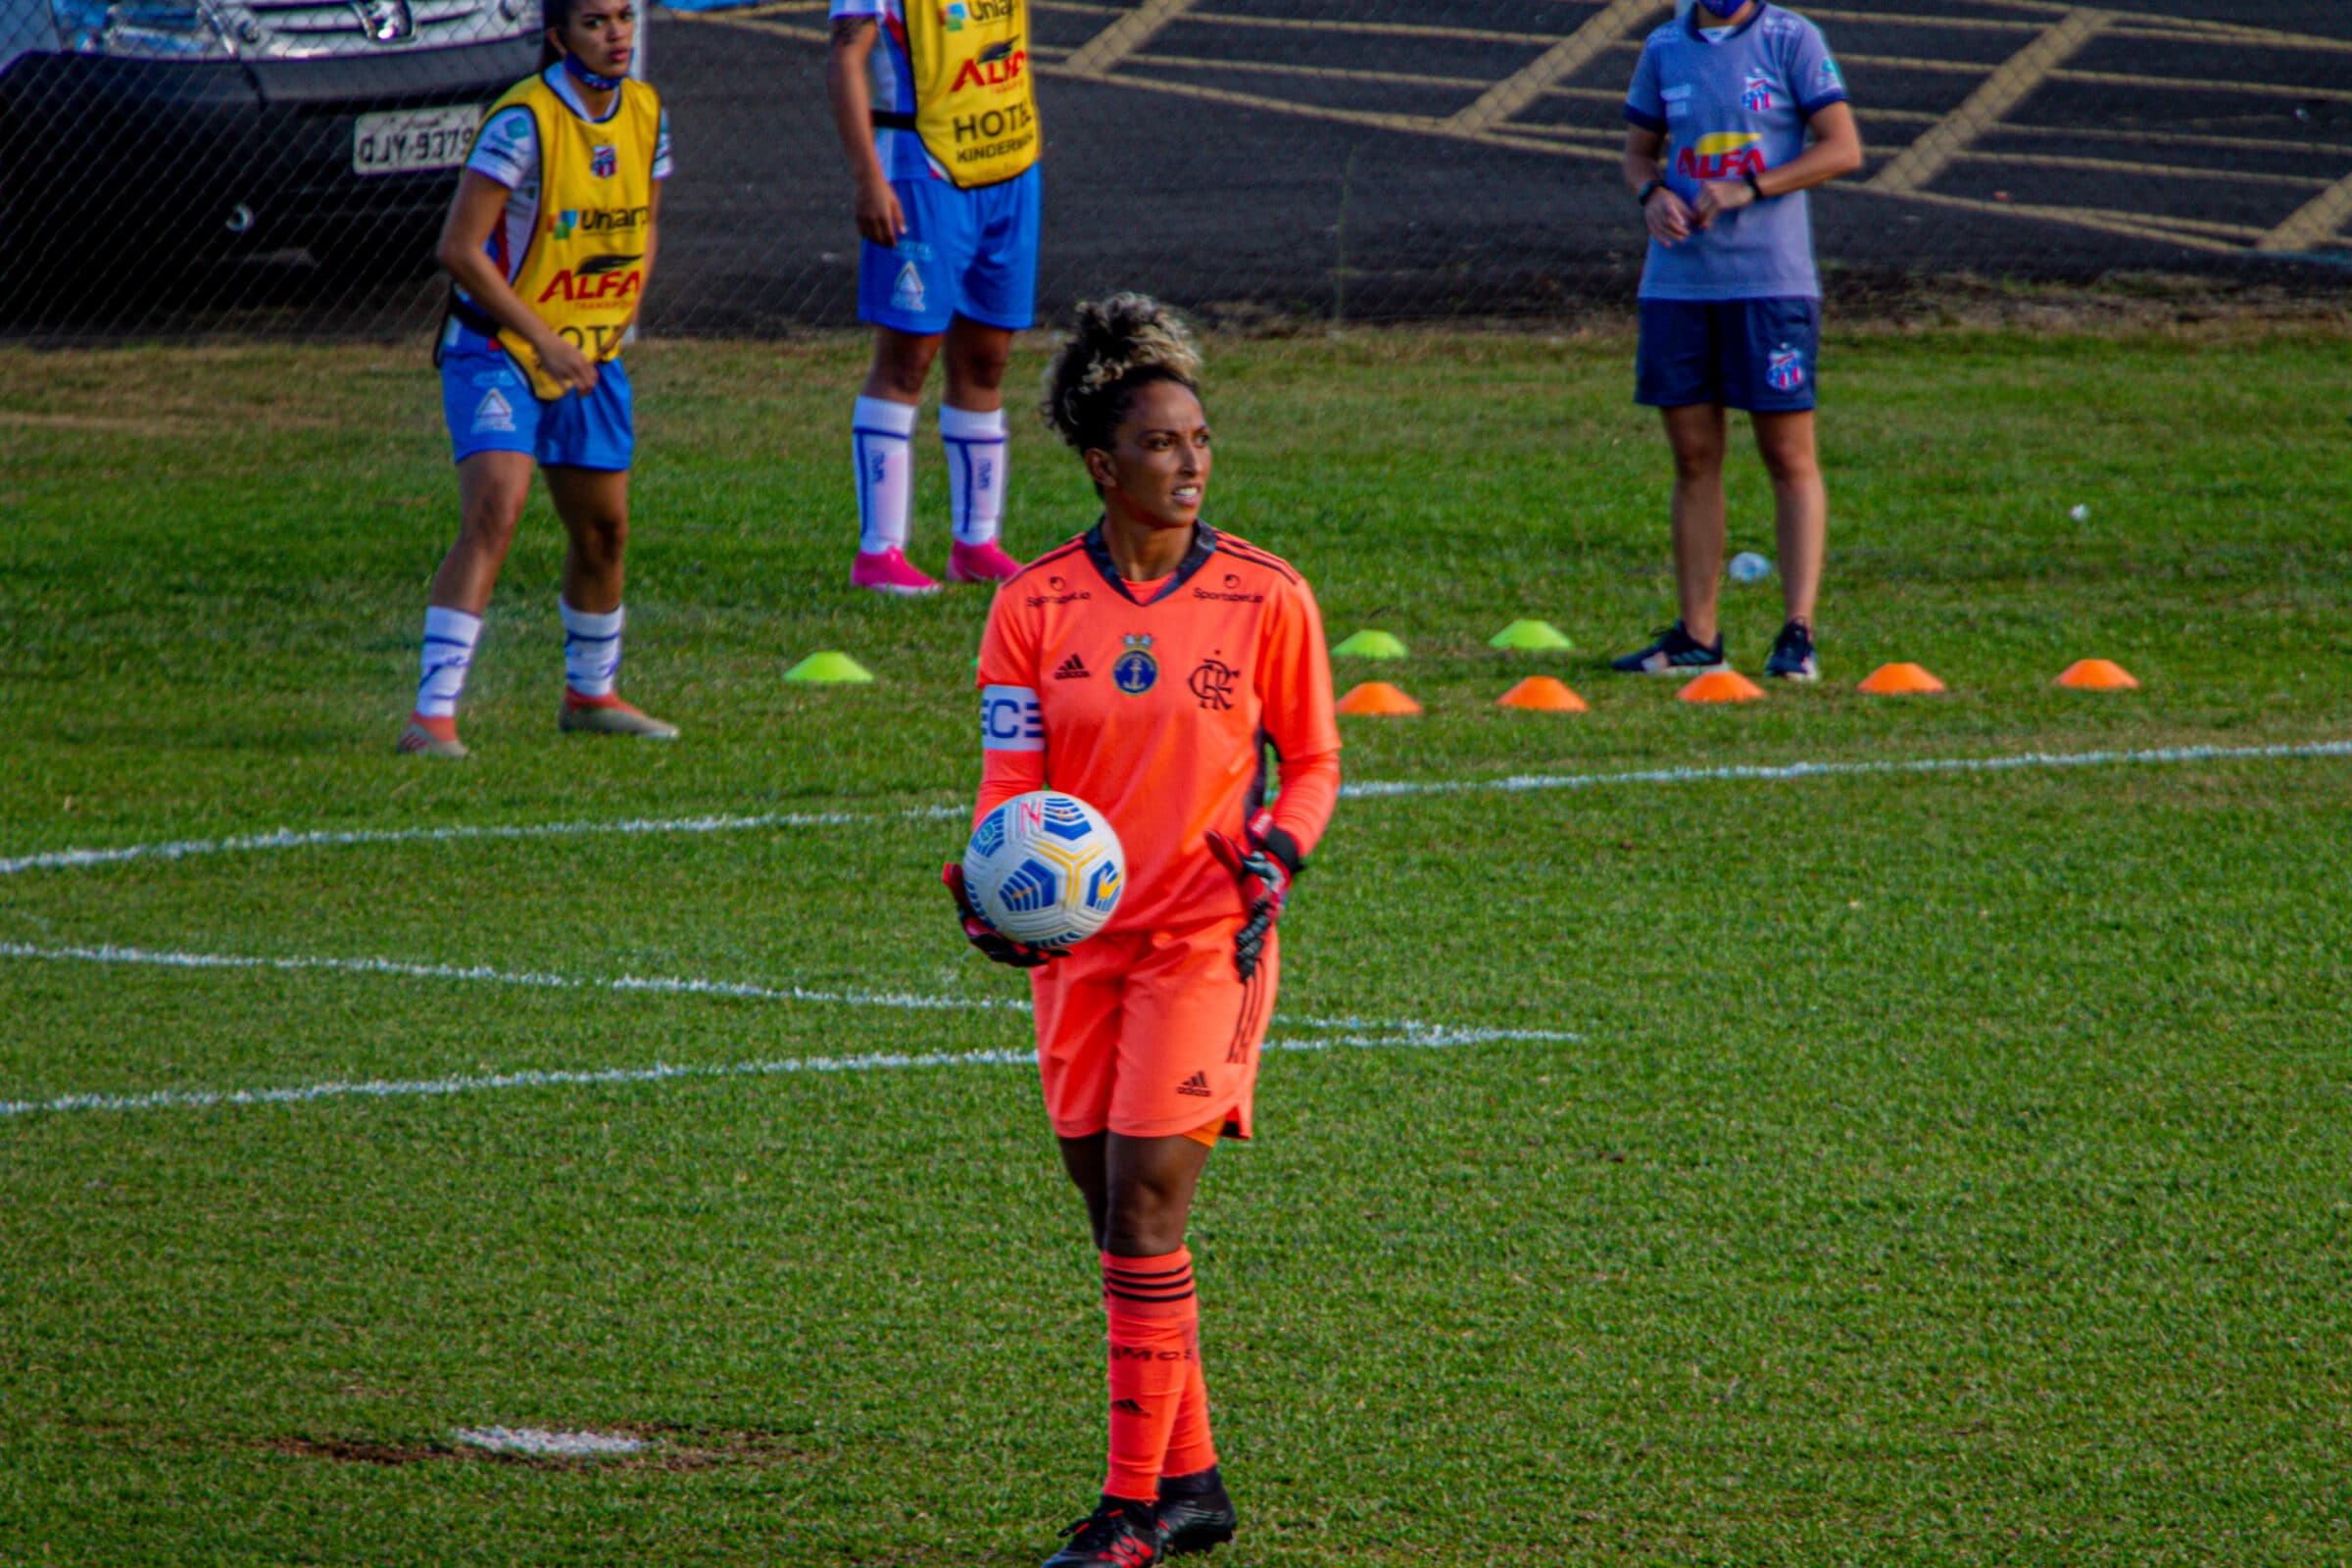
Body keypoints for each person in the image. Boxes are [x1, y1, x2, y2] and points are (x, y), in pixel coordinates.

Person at [945, 295, 1342, 1566]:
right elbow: (1012, 783)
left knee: (1147, 1204)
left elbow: (1314, 762)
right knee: (1111, 1211)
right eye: (1162, 443)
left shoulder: (1266, 595)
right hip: (1078, 949)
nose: (1190, 462)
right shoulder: (1033, 607)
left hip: (1205, 939)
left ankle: (1131, 1512)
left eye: (1200, 439)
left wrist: (1276, 853)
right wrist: (992, 892)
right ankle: (1195, 1480)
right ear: (1101, 464)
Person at [398, 0, 676, 760]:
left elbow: (646, 220)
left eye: (623, 17)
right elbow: (459, 250)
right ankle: (431, 717)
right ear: (558, 37)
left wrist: (624, 308)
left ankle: (591, 696)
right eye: (595, 21)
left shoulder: (648, 113)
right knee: (496, 509)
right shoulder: (521, 122)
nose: (616, 34)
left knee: (604, 531)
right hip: (499, 350)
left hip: (587, 356)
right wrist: (543, 339)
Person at [1611, 0, 1862, 682]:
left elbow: (1842, 148)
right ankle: (1697, 635)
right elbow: (1638, 154)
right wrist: (1651, 195)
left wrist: (1751, 187)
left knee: (1787, 453)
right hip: (1679, 286)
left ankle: (1798, 634)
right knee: (1694, 457)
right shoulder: (1664, 46)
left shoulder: (1790, 38)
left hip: (1770, 284)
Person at [825, 0, 1041, 594]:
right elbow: (845, 58)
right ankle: (879, 554)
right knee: (907, 361)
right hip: (924, 172)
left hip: (1011, 169)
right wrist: (869, 179)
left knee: (987, 360)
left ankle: (976, 545)